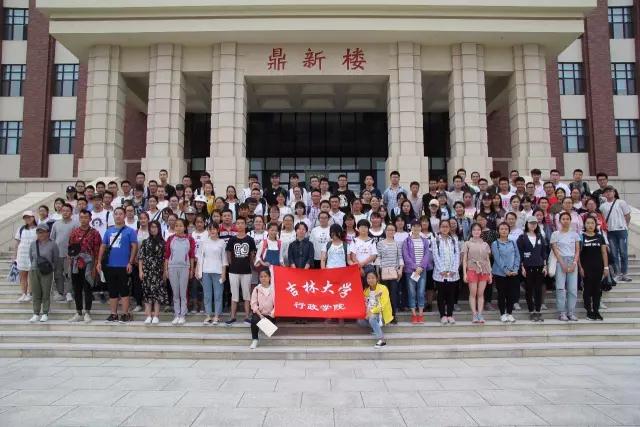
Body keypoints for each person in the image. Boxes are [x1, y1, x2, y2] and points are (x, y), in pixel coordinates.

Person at [97, 207, 138, 323]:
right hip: (110, 265)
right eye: (116, 214)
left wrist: (130, 262)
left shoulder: (130, 231)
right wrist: (99, 261)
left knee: (124, 290)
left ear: (124, 215)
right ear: (113, 216)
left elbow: (134, 246)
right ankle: (113, 314)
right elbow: (103, 246)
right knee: (112, 291)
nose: (118, 216)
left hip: (123, 265)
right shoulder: (109, 231)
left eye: (120, 214)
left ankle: (125, 314)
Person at [67, 210, 102, 323]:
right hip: (76, 265)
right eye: (81, 217)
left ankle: (87, 312)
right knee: (77, 289)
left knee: (88, 289)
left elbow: (97, 250)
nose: (83, 220)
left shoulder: (95, 233)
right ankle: (78, 312)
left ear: (90, 219)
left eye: (86, 217)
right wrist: (70, 263)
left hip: (89, 264)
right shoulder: (74, 232)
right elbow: (70, 249)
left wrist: (96, 265)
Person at [225, 217, 257, 325]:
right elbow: (228, 253)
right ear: (235, 226)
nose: (240, 225)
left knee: (246, 294)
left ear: (245, 225)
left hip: (246, 271)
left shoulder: (250, 240)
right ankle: (232, 317)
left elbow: (252, 254)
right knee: (234, 294)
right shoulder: (232, 239)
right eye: (237, 223)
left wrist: (251, 265)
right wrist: (232, 264)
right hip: (233, 271)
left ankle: (247, 316)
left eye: (242, 223)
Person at [164, 218, 196, 325]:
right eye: (176, 225)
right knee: (175, 293)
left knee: (183, 292)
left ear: (185, 227)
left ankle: (182, 315)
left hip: (185, 267)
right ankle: (176, 314)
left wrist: (191, 269)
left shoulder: (190, 239)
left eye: (181, 225)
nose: (178, 228)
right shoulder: (170, 239)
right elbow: (167, 256)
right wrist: (166, 269)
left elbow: (191, 256)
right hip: (172, 267)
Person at [551, 212, 581, 321]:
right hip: (560, 261)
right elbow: (555, 250)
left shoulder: (575, 234)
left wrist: (574, 263)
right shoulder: (555, 234)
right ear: (560, 221)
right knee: (560, 288)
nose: (565, 221)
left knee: (572, 288)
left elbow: (577, 250)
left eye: (567, 219)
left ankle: (571, 312)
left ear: (570, 220)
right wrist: (562, 263)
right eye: (563, 219)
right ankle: (562, 312)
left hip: (572, 260)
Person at [402, 219, 434, 324]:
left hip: (422, 270)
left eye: (418, 226)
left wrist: (421, 267)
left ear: (421, 227)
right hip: (410, 271)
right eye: (414, 226)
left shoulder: (425, 241)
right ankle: (414, 315)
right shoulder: (406, 241)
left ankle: (420, 314)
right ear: (411, 227)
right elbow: (406, 256)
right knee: (412, 292)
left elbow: (427, 254)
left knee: (421, 292)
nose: (416, 228)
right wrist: (415, 267)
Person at [196, 222, 228, 325]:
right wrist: (197, 270)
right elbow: (200, 258)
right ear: (208, 231)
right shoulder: (204, 242)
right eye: (210, 229)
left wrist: (224, 273)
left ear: (218, 230)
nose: (212, 231)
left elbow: (224, 259)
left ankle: (217, 316)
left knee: (218, 295)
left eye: (214, 229)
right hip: (205, 272)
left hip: (218, 272)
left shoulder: (222, 242)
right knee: (207, 295)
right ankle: (208, 315)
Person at [518, 216, 548, 322]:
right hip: (527, 266)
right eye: (531, 223)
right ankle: (531, 311)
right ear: (527, 224)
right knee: (529, 289)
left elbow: (543, 252)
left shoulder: (540, 236)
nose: (533, 225)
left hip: (539, 266)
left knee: (538, 290)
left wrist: (545, 266)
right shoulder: (522, 237)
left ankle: (538, 311)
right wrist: (522, 267)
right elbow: (520, 253)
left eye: (535, 223)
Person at [579, 216, 609, 321]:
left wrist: (606, 267)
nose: (590, 225)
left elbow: (604, 252)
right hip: (586, 268)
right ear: (584, 224)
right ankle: (589, 311)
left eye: (592, 223)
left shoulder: (600, 237)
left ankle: (596, 311)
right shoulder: (581, 237)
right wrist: (580, 268)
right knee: (587, 289)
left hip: (598, 267)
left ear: (595, 224)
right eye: (588, 223)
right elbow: (578, 254)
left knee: (597, 290)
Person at [600, 186, 632, 282]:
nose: (608, 193)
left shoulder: (621, 202)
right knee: (614, 253)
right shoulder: (602, 206)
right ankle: (618, 273)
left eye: (610, 191)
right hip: (610, 232)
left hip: (621, 231)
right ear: (604, 194)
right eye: (606, 192)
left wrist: (625, 226)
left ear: (614, 192)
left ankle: (624, 273)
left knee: (623, 252)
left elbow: (627, 215)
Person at [28, 223, 59, 323]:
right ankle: (36, 313)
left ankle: (45, 313)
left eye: (42, 232)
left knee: (46, 292)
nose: (40, 234)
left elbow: (55, 258)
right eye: (38, 232)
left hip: (47, 271)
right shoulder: (33, 244)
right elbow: (31, 257)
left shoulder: (53, 244)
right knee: (36, 292)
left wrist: (52, 268)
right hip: (34, 270)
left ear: (48, 233)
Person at [138, 220, 167, 324]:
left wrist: (165, 271)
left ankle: (156, 315)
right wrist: (140, 271)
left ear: (159, 228)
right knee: (147, 292)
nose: (153, 229)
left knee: (157, 293)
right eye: (151, 227)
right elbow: (141, 258)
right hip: (147, 271)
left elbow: (165, 259)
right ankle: (148, 315)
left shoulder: (163, 243)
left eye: (155, 227)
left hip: (158, 271)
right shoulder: (145, 242)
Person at [491, 222, 521, 323]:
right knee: (501, 294)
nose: (504, 231)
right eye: (502, 229)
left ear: (509, 231)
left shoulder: (513, 242)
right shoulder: (495, 244)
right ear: (498, 231)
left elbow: (517, 256)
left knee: (511, 294)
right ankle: (502, 314)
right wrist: (506, 270)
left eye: (506, 229)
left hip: (513, 273)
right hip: (500, 273)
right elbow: (497, 259)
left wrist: (515, 269)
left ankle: (509, 313)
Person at [463, 223, 491, 324]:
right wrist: (464, 273)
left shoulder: (485, 244)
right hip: (472, 269)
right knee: (473, 293)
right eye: (474, 230)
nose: (476, 231)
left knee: (480, 294)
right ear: (471, 231)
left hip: (484, 271)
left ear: (481, 231)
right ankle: (474, 314)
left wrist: (490, 273)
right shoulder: (467, 243)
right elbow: (464, 259)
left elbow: (487, 260)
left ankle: (480, 314)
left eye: (478, 229)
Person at [433, 220, 460, 324]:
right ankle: (442, 315)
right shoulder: (435, 240)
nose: (445, 228)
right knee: (441, 295)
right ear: (439, 228)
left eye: (446, 226)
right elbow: (435, 255)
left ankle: (450, 314)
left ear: (449, 228)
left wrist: (454, 269)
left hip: (452, 273)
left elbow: (457, 255)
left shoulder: (454, 239)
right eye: (443, 226)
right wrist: (442, 270)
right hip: (440, 274)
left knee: (451, 295)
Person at [50, 203, 78, 303]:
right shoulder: (56, 224)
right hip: (57, 254)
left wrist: (73, 253)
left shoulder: (75, 224)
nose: (65, 212)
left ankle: (69, 292)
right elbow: (52, 239)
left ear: (71, 212)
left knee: (69, 274)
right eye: (64, 211)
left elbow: (77, 240)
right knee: (58, 274)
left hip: (69, 254)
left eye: (67, 211)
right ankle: (60, 292)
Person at [358, 270, 393, 348]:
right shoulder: (366, 290)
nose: (370, 280)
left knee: (372, 318)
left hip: (382, 315)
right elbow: (365, 304)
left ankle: (382, 340)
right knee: (360, 321)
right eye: (368, 278)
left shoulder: (383, 288)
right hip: (371, 313)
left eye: (373, 278)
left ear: (377, 278)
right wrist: (366, 312)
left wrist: (371, 312)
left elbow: (383, 305)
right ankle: (375, 328)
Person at [377, 223, 404, 323]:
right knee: (384, 295)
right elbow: (378, 258)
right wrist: (378, 272)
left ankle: (393, 315)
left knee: (393, 295)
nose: (390, 232)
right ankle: (384, 315)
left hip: (394, 272)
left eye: (392, 230)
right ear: (385, 231)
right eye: (388, 230)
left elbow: (400, 257)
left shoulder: (397, 244)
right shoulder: (380, 243)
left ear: (395, 232)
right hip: (383, 272)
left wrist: (400, 269)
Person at [249, 269, 276, 349]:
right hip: (260, 314)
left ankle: (267, 328)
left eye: (265, 276)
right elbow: (253, 304)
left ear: (269, 277)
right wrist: (260, 315)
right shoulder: (257, 289)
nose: (263, 278)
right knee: (254, 320)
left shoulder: (274, 288)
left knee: (270, 330)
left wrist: (272, 313)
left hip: (271, 315)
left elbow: (277, 303)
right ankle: (255, 340)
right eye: (261, 277)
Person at [14, 211, 37, 302]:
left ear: (33, 217)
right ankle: (23, 293)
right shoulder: (21, 229)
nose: (27, 219)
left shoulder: (38, 229)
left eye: (29, 217)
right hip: (21, 255)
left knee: (31, 276)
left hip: (33, 256)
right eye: (25, 217)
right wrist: (15, 256)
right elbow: (17, 243)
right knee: (22, 276)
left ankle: (29, 293)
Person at [350, 220, 378, 285]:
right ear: (358, 229)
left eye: (365, 227)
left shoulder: (372, 241)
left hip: (369, 267)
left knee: (370, 287)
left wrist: (362, 264)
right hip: (357, 268)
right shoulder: (354, 240)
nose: (363, 229)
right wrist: (360, 267)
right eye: (361, 227)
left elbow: (373, 255)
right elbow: (353, 256)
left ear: (368, 229)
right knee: (359, 287)